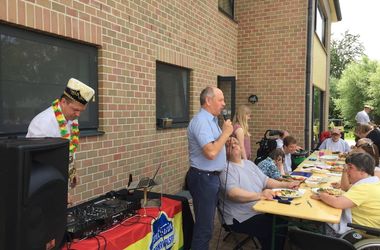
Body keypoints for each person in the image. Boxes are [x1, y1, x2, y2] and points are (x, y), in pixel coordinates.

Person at [219, 137, 299, 250]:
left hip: (259, 208)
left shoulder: (248, 164)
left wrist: (287, 185)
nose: (233, 145)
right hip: (239, 217)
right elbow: (233, 194)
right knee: (274, 227)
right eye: (228, 145)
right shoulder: (225, 169)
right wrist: (260, 195)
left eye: (236, 143)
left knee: (282, 219)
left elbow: (266, 181)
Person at [26, 78, 95, 204]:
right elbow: (39, 164)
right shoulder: (43, 123)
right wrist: (59, 192)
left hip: (60, 181)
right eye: (75, 109)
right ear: (63, 101)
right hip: (43, 189)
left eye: (81, 111)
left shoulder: (72, 118)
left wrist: (72, 172)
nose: (78, 115)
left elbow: (69, 149)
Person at [186, 86, 233, 250]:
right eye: (220, 100)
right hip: (203, 178)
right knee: (204, 228)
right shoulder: (201, 121)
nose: (224, 104)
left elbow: (216, 145)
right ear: (208, 100)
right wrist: (226, 134)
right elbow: (211, 152)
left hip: (210, 177)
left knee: (208, 226)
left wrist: (225, 140)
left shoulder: (212, 121)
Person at [312, 152, 380, 231]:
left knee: (314, 221)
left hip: (359, 232)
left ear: (362, 171)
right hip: (368, 228)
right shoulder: (373, 183)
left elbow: (337, 203)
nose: (347, 171)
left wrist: (321, 195)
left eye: (350, 168)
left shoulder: (364, 187)